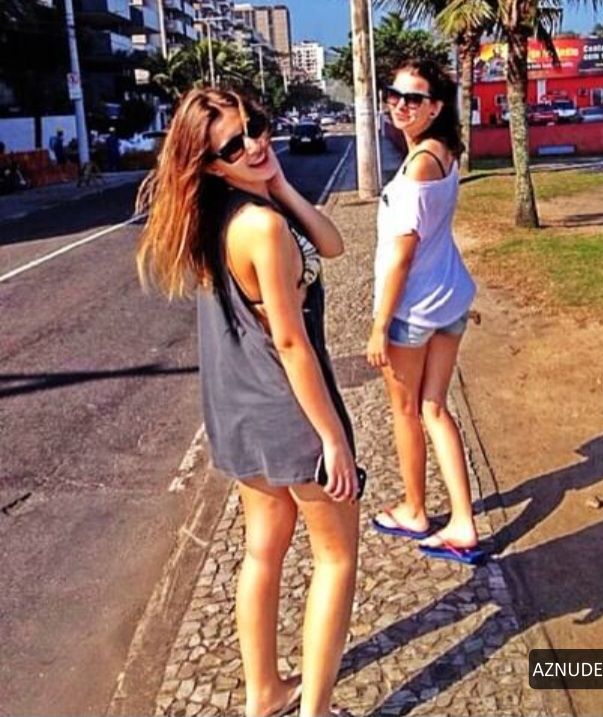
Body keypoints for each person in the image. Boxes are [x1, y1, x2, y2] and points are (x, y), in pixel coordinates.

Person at [136, 88, 360, 717]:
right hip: (288, 412)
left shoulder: (218, 216)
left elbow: (333, 245)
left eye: (255, 127)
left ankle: (263, 694)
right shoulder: (260, 227)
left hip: (237, 412)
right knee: (337, 558)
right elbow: (290, 342)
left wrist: (279, 184)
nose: (255, 144)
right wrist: (333, 439)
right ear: (210, 165)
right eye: (233, 145)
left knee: (262, 549)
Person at [367, 59, 482, 566]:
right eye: (393, 94)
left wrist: (378, 326)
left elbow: (402, 255)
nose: (399, 105)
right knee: (434, 408)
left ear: (435, 107)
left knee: (407, 411)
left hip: (413, 311)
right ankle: (463, 522)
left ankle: (415, 511)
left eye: (413, 99)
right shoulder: (444, 151)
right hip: (450, 299)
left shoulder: (418, 167)